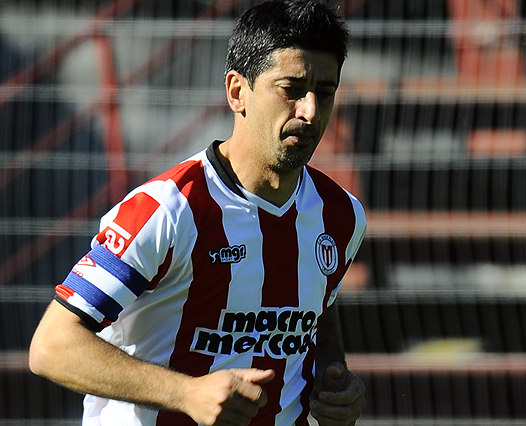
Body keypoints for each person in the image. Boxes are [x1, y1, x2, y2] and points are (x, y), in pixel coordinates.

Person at [28, 1, 367, 425]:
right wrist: (186, 393)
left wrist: (332, 373)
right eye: (291, 88)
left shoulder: (342, 215)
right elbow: (52, 347)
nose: (310, 111)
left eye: (325, 91)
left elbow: (319, 305)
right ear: (237, 92)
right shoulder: (168, 209)